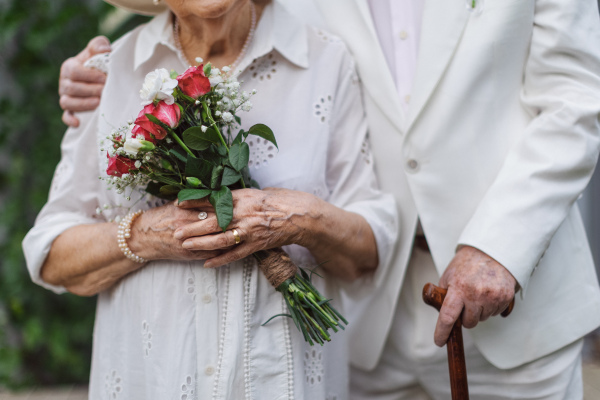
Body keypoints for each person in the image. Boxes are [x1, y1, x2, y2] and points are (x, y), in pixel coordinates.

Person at [58, 0, 600, 398]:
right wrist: (102, 70)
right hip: (357, 325)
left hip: (508, 308)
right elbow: (217, 25)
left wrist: (497, 247)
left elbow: (576, 102)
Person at [23, 0, 399, 398]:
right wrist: (148, 234)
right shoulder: (109, 72)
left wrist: (297, 218)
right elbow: (51, 255)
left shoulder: (325, 59)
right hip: (151, 381)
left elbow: (366, 254)